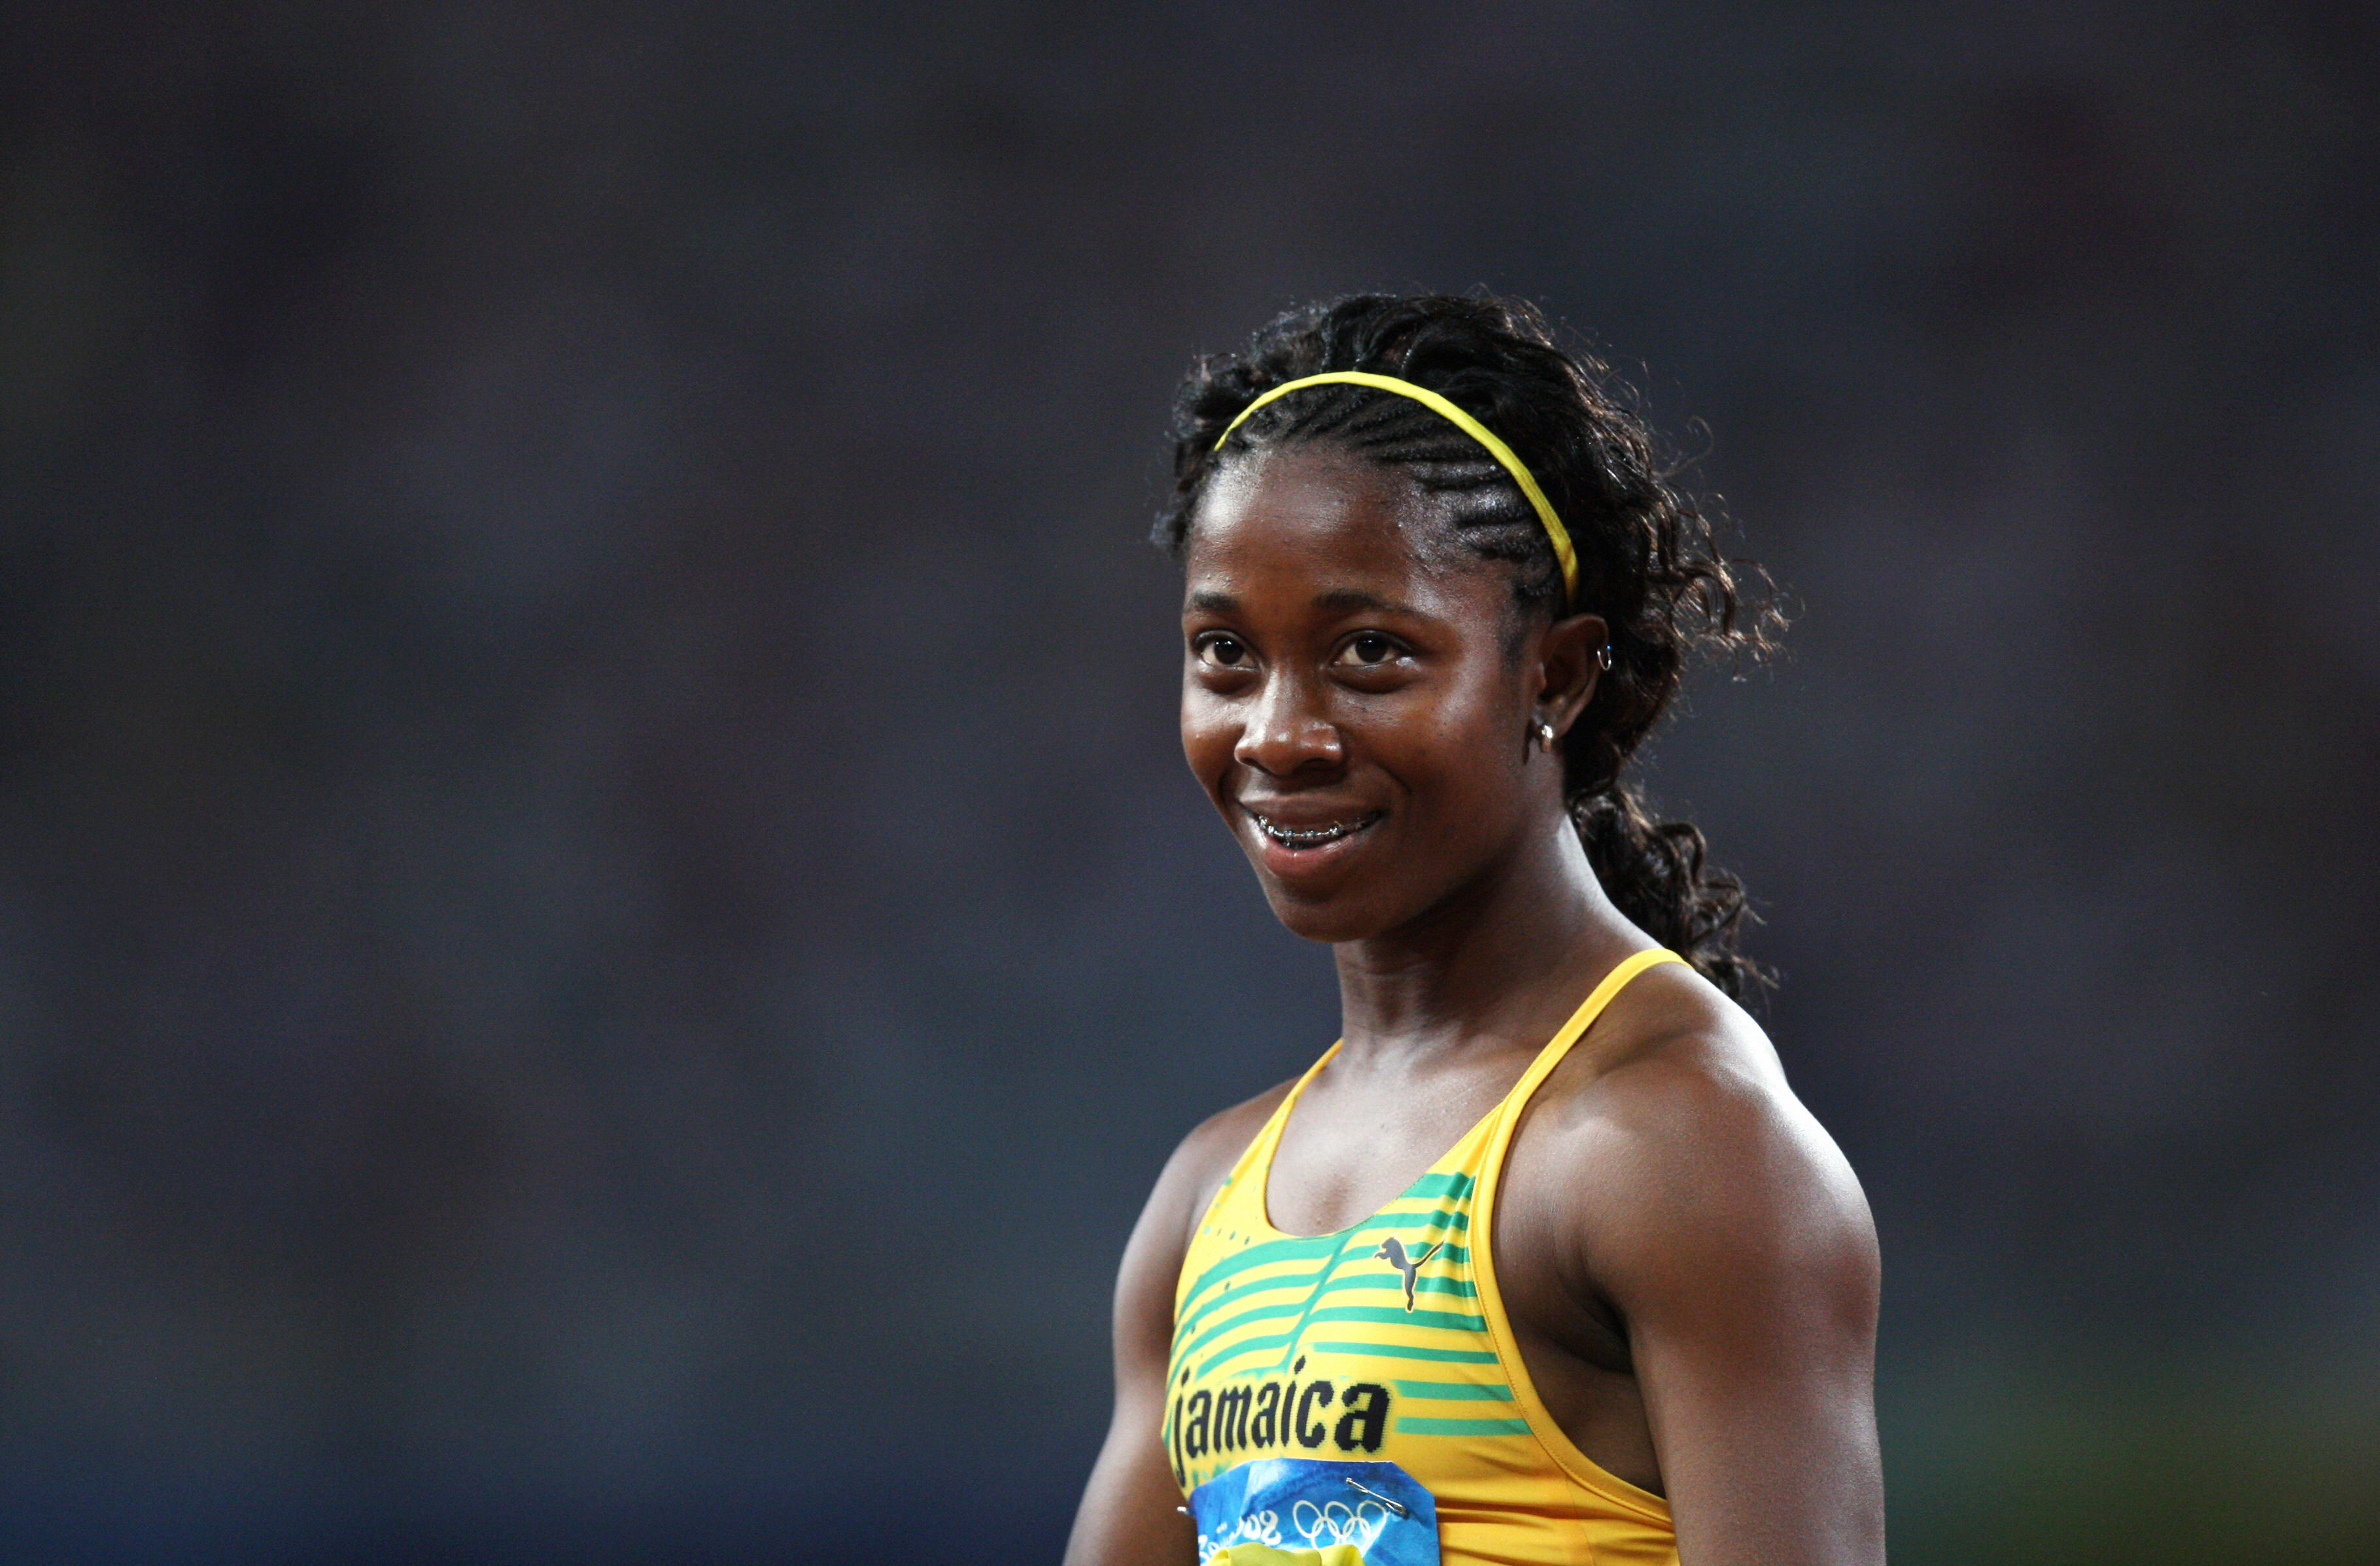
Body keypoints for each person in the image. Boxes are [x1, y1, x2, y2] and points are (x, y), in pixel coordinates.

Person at [1063, 294, 1882, 1566]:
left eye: (1370, 653)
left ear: (1549, 677)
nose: (1276, 734)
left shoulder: (1672, 1147)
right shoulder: (1205, 1205)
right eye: (1224, 652)